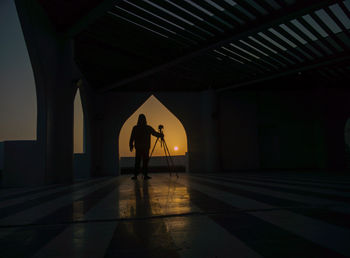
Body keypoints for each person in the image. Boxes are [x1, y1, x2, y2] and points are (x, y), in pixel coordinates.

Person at [129, 114, 163, 180]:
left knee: (139, 161)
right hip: (144, 147)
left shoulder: (136, 128)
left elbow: (131, 138)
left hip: (141, 147)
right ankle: (144, 175)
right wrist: (161, 135)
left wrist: (131, 145)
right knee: (143, 161)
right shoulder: (147, 128)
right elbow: (155, 133)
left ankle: (137, 175)